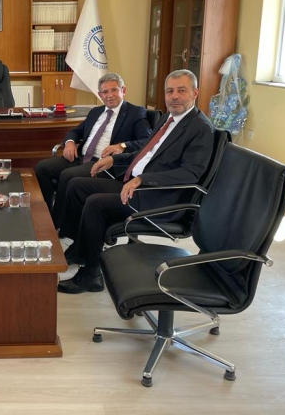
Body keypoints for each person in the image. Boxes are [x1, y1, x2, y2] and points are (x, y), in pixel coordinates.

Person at [57, 69, 215, 294]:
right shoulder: (168, 119)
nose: (174, 96)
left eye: (181, 90)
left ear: (195, 93)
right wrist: (114, 160)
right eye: (170, 91)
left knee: (95, 203)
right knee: (77, 185)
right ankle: (80, 249)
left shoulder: (200, 128)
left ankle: (91, 276)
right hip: (136, 184)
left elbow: (191, 174)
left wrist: (143, 178)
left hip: (159, 197)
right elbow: (145, 152)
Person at [35, 72, 151, 228]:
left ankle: (57, 224)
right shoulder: (95, 112)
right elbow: (75, 131)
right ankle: (45, 213)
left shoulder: (136, 112)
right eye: (105, 92)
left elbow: (147, 141)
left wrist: (122, 146)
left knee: (68, 175)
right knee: (42, 168)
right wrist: (70, 143)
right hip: (80, 157)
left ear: (123, 90)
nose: (109, 95)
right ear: (100, 95)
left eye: (114, 90)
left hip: (104, 163)